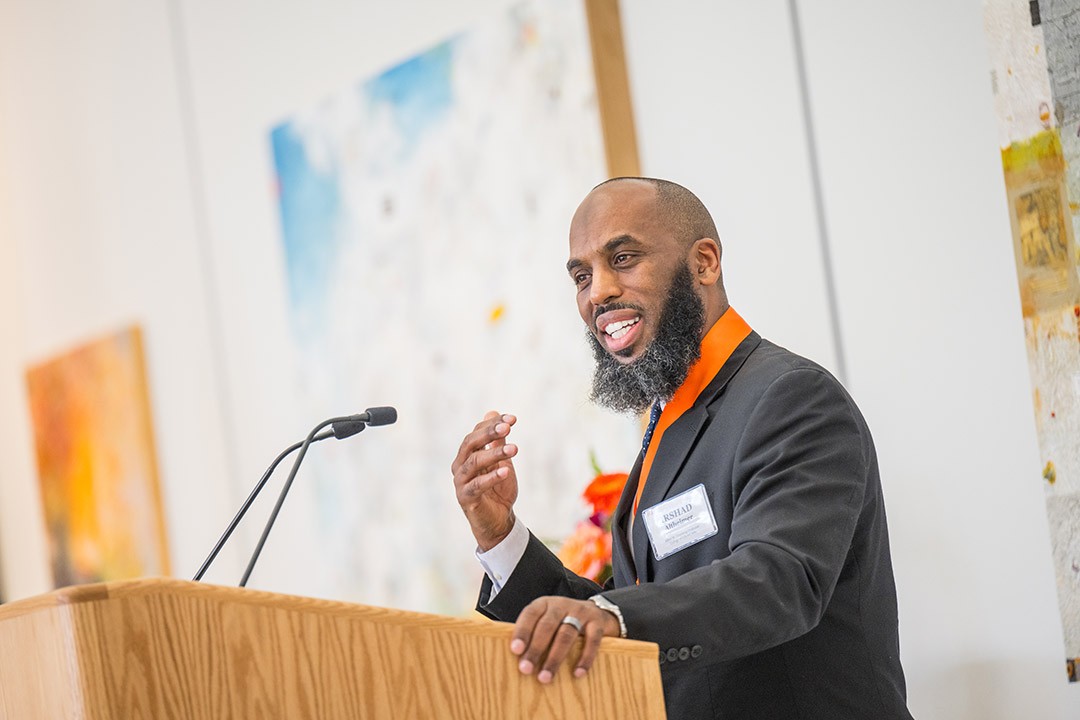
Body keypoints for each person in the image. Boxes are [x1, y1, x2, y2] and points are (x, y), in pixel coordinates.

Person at [451, 177, 913, 719]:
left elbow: (778, 581)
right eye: (582, 276)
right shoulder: (669, 423)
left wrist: (615, 616)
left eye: (623, 259)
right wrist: (500, 535)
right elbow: (607, 619)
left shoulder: (791, 397)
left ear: (704, 263)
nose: (597, 293)